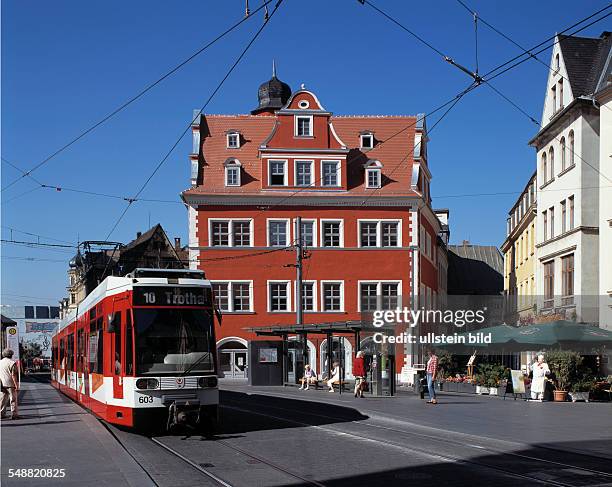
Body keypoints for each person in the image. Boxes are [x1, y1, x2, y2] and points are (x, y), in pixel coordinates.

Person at [0, 349, 20, 419]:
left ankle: (1, 414)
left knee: (2, 399)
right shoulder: (12, 363)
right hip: (10, 384)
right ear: (11, 355)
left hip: (2, 383)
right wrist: (16, 385)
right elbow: (13, 375)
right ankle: (14, 415)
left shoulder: (0, 362)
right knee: (13, 399)